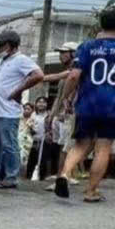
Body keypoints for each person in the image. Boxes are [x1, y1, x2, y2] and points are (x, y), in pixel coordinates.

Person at [55, 8, 115, 202]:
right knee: (103, 147)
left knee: (81, 144)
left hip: (87, 104)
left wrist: (66, 98)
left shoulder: (86, 47)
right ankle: (91, 191)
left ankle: (65, 174)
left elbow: (74, 75)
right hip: (114, 106)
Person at [0, 30, 43, 189]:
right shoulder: (2, 62)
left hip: (6, 111)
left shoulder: (21, 60)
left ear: (9, 45)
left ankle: (11, 176)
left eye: (0, 46)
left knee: (9, 145)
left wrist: (17, 91)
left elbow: (38, 75)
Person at [43, 42, 81, 190]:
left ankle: (62, 177)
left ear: (73, 53)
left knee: (67, 147)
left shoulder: (76, 71)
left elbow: (55, 77)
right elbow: (59, 97)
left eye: (64, 52)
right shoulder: (69, 72)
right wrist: (52, 115)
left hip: (73, 114)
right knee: (65, 146)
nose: (61, 55)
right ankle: (67, 175)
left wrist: (39, 77)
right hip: (63, 115)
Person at [26, 97, 53, 179]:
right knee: (32, 159)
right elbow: (29, 126)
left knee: (43, 159)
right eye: (39, 102)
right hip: (35, 140)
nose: (41, 104)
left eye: (43, 102)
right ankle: (28, 176)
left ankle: (42, 177)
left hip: (45, 140)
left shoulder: (49, 114)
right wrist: (31, 129)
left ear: (47, 104)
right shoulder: (33, 115)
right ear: (36, 104)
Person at [18, 102, 35, 171]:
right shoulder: (19, 118)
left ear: (32, 110)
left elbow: (34, 132)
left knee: (25, 159)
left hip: (28, 142)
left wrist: (31, 127)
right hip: (18, 140)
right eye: (25, 109)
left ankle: (23, 176)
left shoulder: (33, 120)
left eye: (28, 109)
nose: (26, 110)